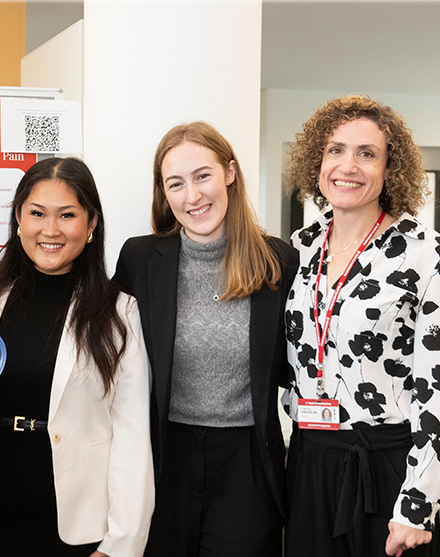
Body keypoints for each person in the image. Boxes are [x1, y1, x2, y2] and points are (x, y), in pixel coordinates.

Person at [282, 95, 440, 557]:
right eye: (335, 150)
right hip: (310, 463)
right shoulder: (297, 250)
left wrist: (418, 501)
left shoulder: (425, 252)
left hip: (386, 468)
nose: (348, 166)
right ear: (317, 162)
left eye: (367, 154)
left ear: (390, 170)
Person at [113, 122, 298, 557]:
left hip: (248, 464)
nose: (192, 196)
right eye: (175, 183)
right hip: (163, 455)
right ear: (163, 192)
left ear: (230, 172)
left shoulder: (279, 262)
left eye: (203, 176)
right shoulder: (139, 259)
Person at [0, 157, 154, 557]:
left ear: (91, 223)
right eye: (37, 213)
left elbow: (132, 436)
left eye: (67, 215)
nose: (50, 230)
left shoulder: (119, 312)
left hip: (72, 522)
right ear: (18, 218)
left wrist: (120, 544)